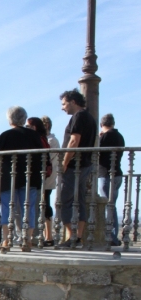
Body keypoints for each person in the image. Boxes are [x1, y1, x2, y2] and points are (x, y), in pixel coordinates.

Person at [0, 106, 45, 250]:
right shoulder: (34, 136)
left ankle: (6, 240)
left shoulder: (5, 136)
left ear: (10, 119)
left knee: (7, 208)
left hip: (8, 178)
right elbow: (41, 157)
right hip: (30, 178)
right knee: (28, 208)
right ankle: (27, 240)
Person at [59, 89, 97, 246]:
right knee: (80, 199)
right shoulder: (89, 117)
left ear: (73, 102)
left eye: (64, 103)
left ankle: (73, 235)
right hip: (85, 164)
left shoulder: (79, 116)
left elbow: (74, 141)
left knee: (63, 200)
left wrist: (65, 162)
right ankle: (77, 236)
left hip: (75, 165)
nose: (62, 107)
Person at [98, 113, 126, 245]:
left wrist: (99, 138)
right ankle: (113, 235)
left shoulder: (105, 137)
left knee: (108, 206)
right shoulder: (119, 136)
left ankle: (110, 237)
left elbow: (97, 154)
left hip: (106, 174)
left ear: (101, 124)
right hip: (117, 174)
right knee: (112, 205)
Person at [26, 117, 55, 245]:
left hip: (41, 178)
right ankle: (40, 236)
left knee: (39, 206)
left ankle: (39, 236)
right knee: (39, 206)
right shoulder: (42, 139)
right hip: (41, 178)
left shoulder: (42, 140)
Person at [42, 116, 61, 243]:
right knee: (43, 204)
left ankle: (49, 236)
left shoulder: (52, 140)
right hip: (47, 176)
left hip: (48, 177)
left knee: (45, 204)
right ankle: (46, 235)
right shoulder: (49, 140)